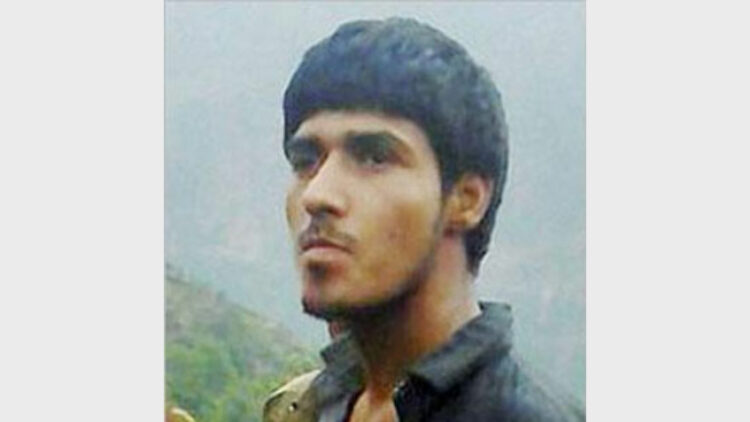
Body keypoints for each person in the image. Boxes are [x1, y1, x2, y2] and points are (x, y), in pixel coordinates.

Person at [266, 17, 584, 422]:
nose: (316, 194)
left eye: (373, 157)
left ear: (466, 199)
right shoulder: (305, 405)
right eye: (305, 161)